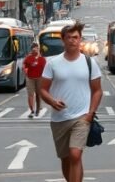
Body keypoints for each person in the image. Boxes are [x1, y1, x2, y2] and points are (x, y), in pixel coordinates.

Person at [38, 21, 102, 182]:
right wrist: (52, 102)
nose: (72, 40)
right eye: (69, 37)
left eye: (76, 37)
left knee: (75, 155)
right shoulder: (53, 63)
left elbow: (97, 90)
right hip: (59, 119)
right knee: (66, 159)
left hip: (82, 117)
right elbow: (42, 89)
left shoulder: (89, 63)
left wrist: (90, 114)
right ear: (63, 40)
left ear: (81, 40)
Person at [23, 43, 46, 118]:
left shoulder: (42, 59)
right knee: (30, 94)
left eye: (36, 48)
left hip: (39, 78)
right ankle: (32, 110)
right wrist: (25, 71)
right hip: (30, 78)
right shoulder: (28, 58)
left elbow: (45, 69)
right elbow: (24, 66)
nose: (34, 50)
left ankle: (38, 110)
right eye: (33, 49)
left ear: (38, 49)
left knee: (38, 95)